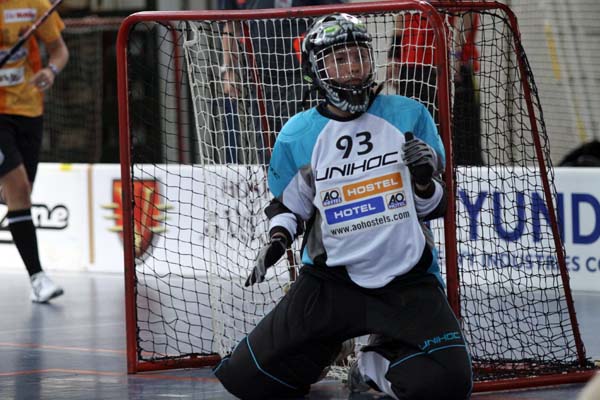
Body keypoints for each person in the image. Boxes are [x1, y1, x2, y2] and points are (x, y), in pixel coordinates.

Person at [214, 13, 473, 400]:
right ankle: (323, 348)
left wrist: (422, 181)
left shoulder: (409, 114)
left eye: (358, 56)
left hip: (406, 281)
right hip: (329, 283)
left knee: (450, 385)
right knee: (246, 379)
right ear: (316, 70)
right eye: (338, 59)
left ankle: (373, 364)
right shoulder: (298, 134)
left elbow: (435, 206)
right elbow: (291, 207)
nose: (352, 68)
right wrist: (277, 240)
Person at [0, 0, 69, 303]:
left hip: (29, 110)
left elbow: (59, 50)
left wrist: (51, 71)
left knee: (15, 196)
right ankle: (38, 278)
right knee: (19, 188)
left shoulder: (35, 5)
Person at [218, 0, 345, 163]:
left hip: (302, 75)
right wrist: (229, 70)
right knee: (267, 148)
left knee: (305, 141)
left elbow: (334, 15)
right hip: (259, 77)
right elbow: (231, 25)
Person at [387, 6, 483, 165]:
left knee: (460, 141)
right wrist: (394, 55)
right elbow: (401, 12)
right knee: (413, 135)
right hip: (412, 65)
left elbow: (467, 10)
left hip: (446, 65)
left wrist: (456, 54)